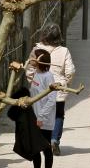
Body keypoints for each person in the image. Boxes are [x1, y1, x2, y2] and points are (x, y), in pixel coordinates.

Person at [28, 24, 75, 156]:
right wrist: (65, 82)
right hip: (58, 89)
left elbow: (30, 69)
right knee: (58, 115)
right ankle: (54, 141)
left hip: (40, 90)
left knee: (39, 114)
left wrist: (33, 81)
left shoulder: (36, 50)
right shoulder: (64, 51)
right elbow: (70, 71)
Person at [23, 49, 57, 168]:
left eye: (34, 57)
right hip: (35, 116)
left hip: (44, 119)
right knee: (35, 148)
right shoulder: (37, 73)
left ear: (40, 61)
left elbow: (51, 99)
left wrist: (41, 116)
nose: (31, 58)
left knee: (45, 147)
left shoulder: (48, 77)